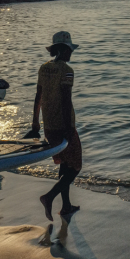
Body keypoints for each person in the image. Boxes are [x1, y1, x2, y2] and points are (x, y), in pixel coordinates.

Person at [25, 31, 82, 221]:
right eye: (69, 50)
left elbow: (38, 96)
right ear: (64, 50)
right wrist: (68, 128)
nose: (71, 54)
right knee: (75, 166)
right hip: (64, 124)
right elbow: (66, 100)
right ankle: (49, 197)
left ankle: (66, 206)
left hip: (49, 124)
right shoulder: (67, 70)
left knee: (65, 164)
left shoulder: (44, 68)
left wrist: (35, 122)